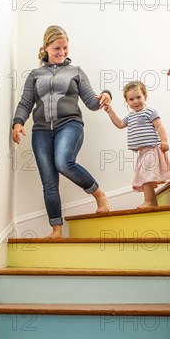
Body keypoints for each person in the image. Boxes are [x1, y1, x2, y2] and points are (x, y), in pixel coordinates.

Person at [12, 25, 111, 238]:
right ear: (46, 47)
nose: (62, 53)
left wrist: (105, 95)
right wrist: (18, 122)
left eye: (65, 48)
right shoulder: (35, 74)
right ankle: (56, 229)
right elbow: (26, 102)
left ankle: (99, 194)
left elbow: (91, 103)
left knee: (64, 162)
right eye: (57, 48)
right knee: (48, 181)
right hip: (41, 131)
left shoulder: (76, 71)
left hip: (69, 124)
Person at [104, 81, 170, 207]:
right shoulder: (130, 116)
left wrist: (164, 140)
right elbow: (120, 124)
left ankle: (148, 201)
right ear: (127, 102)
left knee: (146, 177)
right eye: (131, 99)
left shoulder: (149, 111)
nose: (135, 101)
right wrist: (110, 112)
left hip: (151, 149)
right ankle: (153, 203)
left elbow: (159, 126)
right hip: (142, 153)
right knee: (145, 177)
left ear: (145, 97)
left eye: (138, 97)